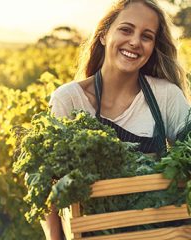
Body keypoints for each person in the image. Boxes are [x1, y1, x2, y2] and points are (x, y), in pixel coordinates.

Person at [42, 0, 191, 239]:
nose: (134, 41)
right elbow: (46, 186)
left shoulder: (165, 95)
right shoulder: (69, 100)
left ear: (153, 47)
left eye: (147, 36)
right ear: (103, 35)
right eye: (126, 29)